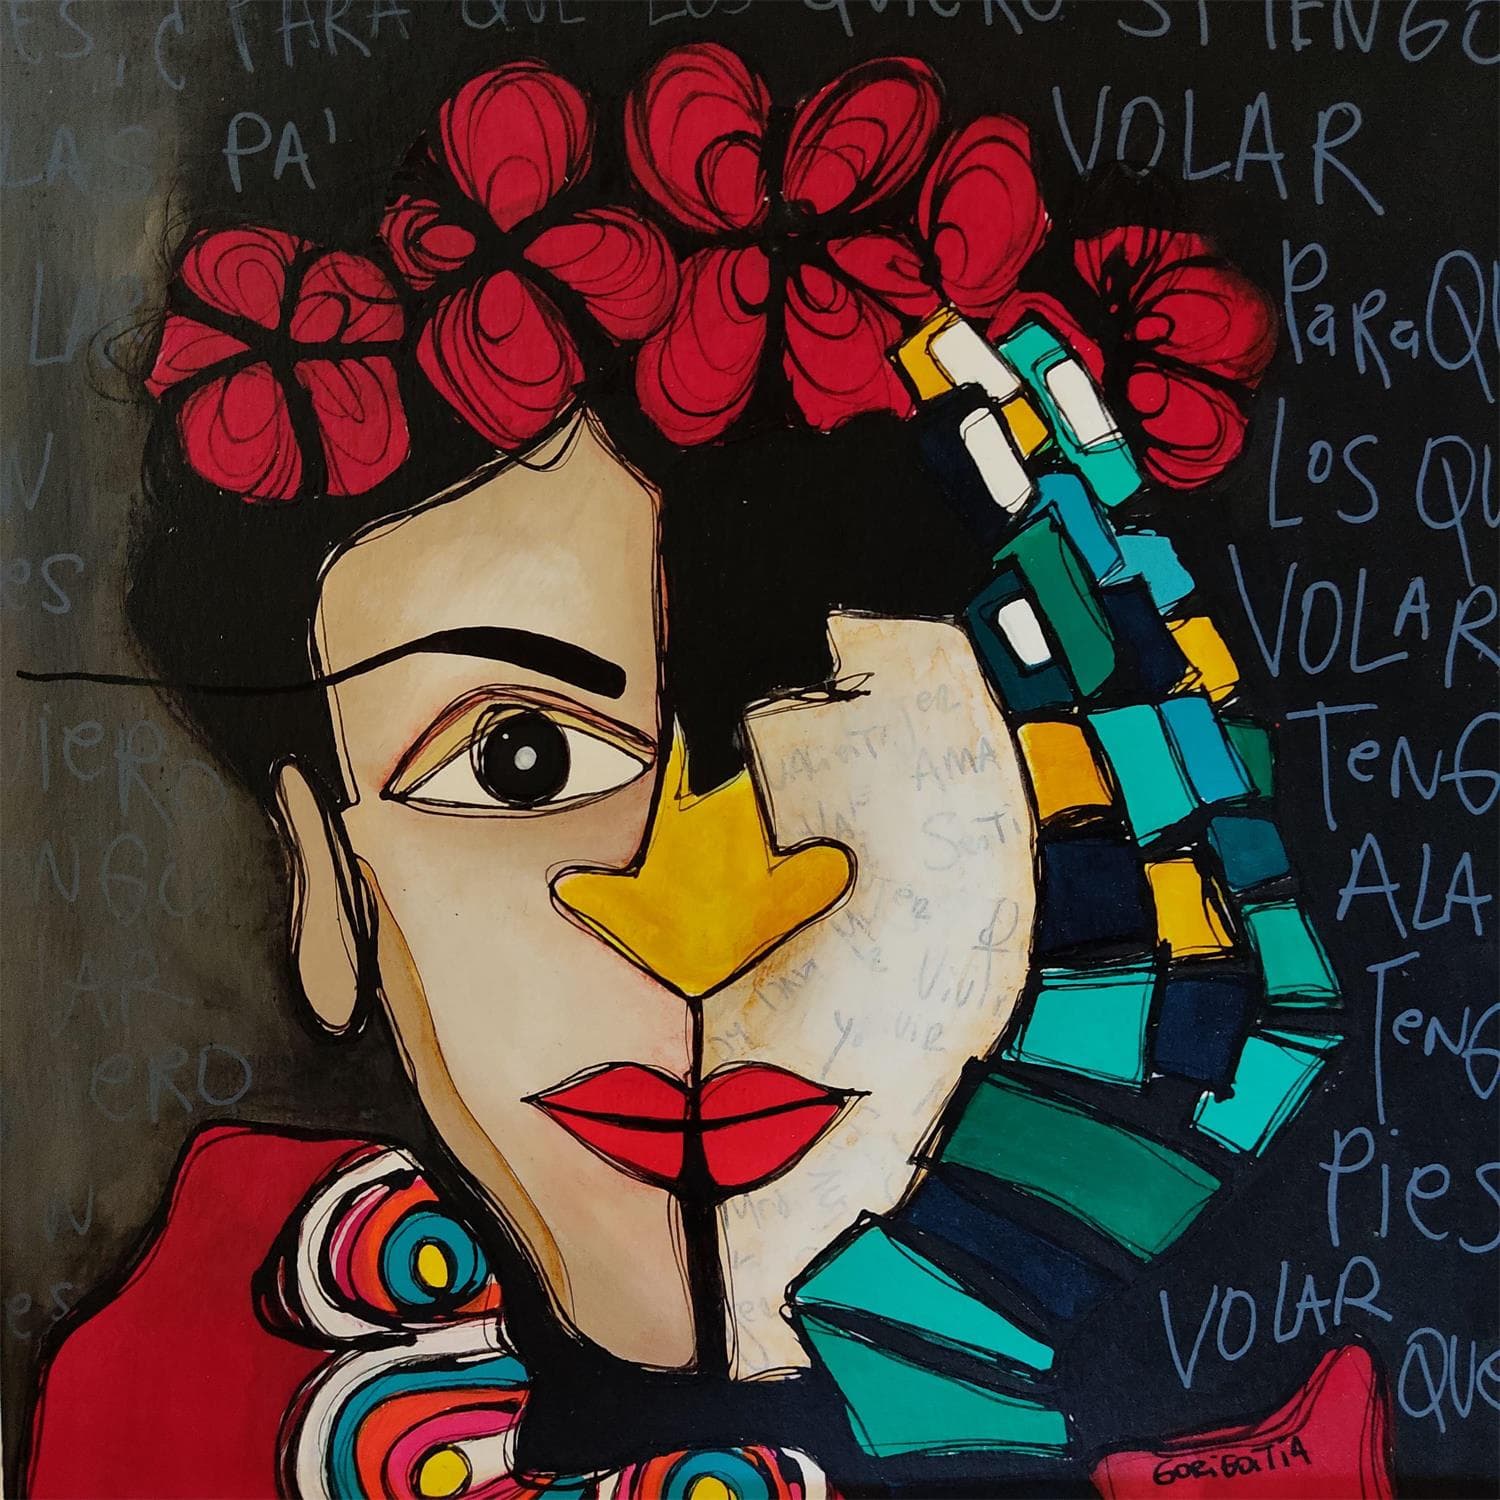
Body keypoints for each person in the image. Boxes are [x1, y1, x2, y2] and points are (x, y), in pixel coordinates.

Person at [24, 44, 1388, 1500]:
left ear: (1102, 814)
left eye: (867, 751)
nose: (698, 919)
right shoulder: (188, 1416)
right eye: (520, 757)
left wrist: (966, 1321)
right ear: (326, 883)